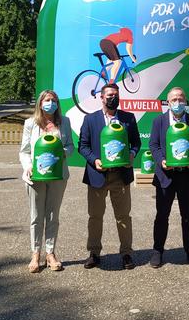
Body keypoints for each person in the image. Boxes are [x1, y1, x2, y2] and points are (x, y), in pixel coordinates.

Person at [78, 83, 141, 269]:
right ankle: (94, 253)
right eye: (110, 95)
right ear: (102, 97)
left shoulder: (128, 118)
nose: (113, 98)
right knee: (95, 216)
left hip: (120, 175)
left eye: (116, 95)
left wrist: (131, 154)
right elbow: (83, 145)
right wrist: (94, 160)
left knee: (123, 216)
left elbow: (136, 143)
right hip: (97, 175)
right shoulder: (90, 119)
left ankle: (127, 254)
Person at [149, 87, 189, 268]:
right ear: (168, 102)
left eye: (181, 99)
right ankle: (158, 251)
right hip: (166, 176)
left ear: (186, 101)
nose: (178, 102)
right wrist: (161, 160)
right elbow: (154, 145)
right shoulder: (159, 121)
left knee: (188, 215)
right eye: (174, 99)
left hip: (186, 176)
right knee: (162, 215)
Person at [19, 90, 74, 274]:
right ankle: (35, 253)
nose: (51, 103)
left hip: (58, 176)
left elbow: (70, 146)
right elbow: (24, 150)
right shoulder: (30, 123)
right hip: (36, 176)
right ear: (40, 103)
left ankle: (50, 253)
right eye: (47, 100)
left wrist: (61, 154)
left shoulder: (64, 122)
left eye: (54, 100)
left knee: (52, 216)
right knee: (36, 216)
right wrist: (27, 166)